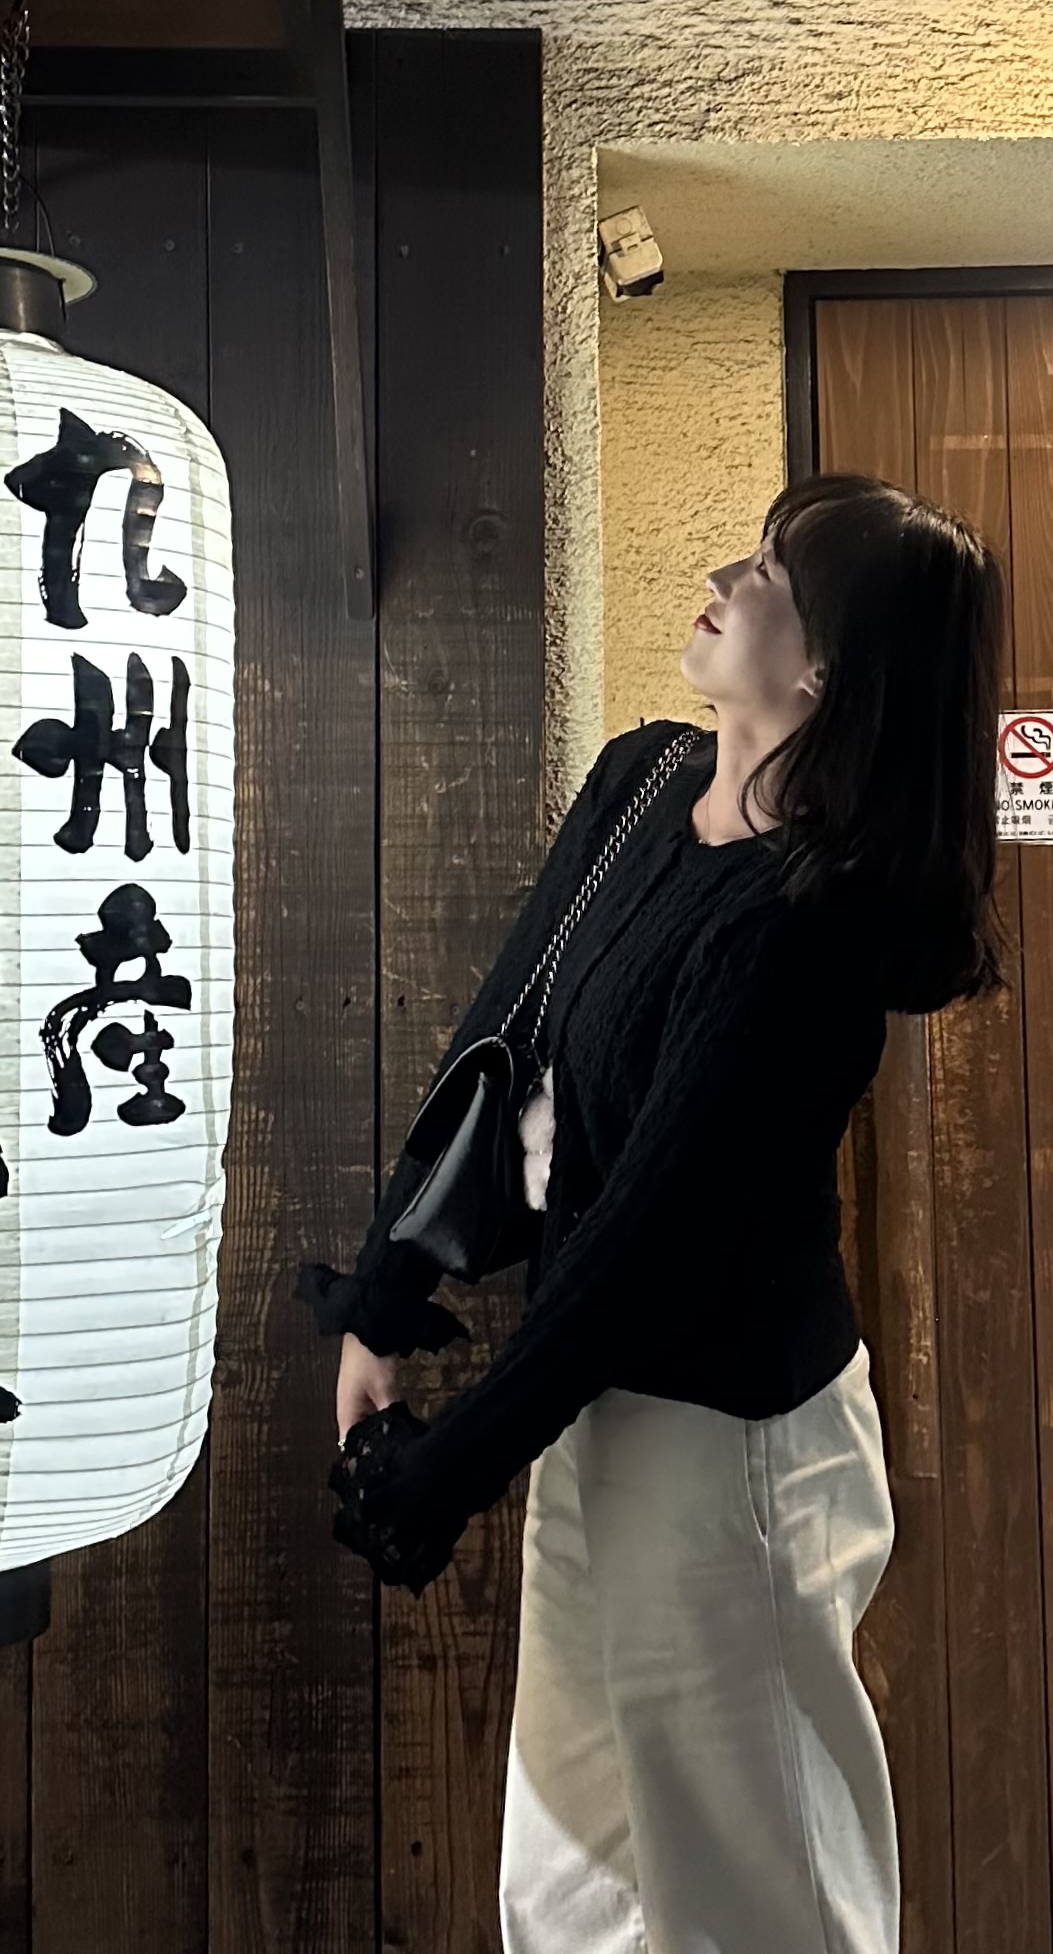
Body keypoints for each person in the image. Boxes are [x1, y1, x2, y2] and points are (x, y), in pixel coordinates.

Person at [296, 471, 1004, 1954]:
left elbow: (650, 1245)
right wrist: (383, 1292)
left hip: (731, 1454)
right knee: (576, 1865)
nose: (726, 582)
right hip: (601, 1409)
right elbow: (506, 1034)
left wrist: (456, 1463)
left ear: (827, 673)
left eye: (771, 578)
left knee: (756, 1891)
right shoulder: (640, 783)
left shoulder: (808, 927)